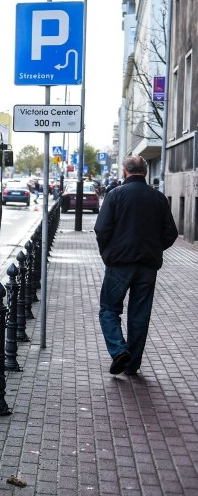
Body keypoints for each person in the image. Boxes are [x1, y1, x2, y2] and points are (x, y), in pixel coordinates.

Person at [93, 155, 178, 376]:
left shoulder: (116, 195)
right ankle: (132, 365)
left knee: (109, 309)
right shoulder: (158, 198)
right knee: (140, 314)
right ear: (145, 172)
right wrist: (154, 249)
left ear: (124, 171)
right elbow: (171, 233)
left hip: (120, 263)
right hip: (148, 265)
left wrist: (108, 254)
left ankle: (119, 350)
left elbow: (102, 229)